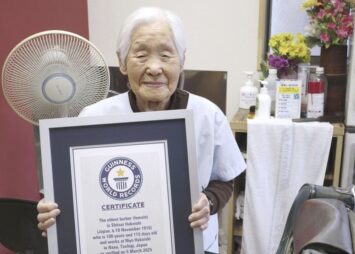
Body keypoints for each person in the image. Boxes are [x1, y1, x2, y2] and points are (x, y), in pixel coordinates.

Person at [37, 6, 246, 253]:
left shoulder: (208, 115)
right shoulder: (94, 118)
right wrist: (53, 214)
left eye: (166, 55)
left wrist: (208, 203)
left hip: (190, 244)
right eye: (141, 55)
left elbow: (224, 180)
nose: (155, 68)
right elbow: (75, 191)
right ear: (122, 62)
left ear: (182, 61)